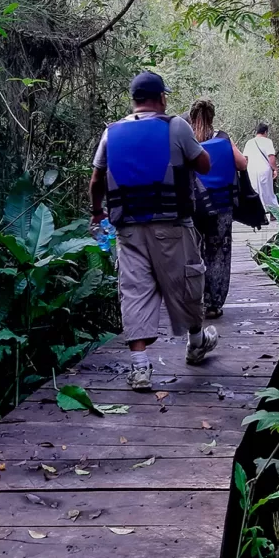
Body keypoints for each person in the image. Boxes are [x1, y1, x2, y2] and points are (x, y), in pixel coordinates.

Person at [89, 72, 219, 391]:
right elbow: (204, 165)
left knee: (134, 291)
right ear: (161, 98)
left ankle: (141, 367)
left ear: (134, 100)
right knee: (187, 283)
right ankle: (196, 342)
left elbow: (95, 182)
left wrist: (96, 212)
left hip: (128, 230)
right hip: (172, 224)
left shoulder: (111, 133)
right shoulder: (175, 126)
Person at [189, 99, 248, 320]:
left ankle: (195, 302)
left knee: (194, 254)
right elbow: (242, 164)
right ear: (212, 117)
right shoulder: (223, 138)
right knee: (218, 256)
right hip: (221, 207)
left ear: (191, 117)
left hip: (194, 207)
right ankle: (214, 304)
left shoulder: (186, 140)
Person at [243, 122, 279, 217]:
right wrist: (275, 169)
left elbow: (245, 159)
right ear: (266, 132)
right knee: (268, 192)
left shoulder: (249, 142)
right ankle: (273, 213)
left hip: (252, 170)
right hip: (264, 170)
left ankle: (258, 214)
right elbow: (271, 157)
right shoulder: (267, 141)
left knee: (255, 191)